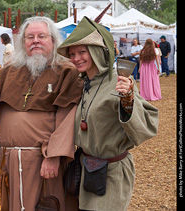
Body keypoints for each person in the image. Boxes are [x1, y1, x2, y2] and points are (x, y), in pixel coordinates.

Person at [0, 16, 83, 210]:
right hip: (8, 161)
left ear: (53, 40)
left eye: (41, 36)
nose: (35, 41)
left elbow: (67, 118)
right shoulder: (9, 70)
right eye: (29, 37)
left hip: (43, 162)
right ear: (22, 42)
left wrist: (53, 156)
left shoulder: (66, 71)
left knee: (45, 205)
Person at [57, 16, 159, 211]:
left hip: (112, 173)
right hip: (86, 170)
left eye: (81, 52)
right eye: (72, 54)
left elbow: (145, 127)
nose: (76, 58)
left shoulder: (119, 82)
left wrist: (128, 98)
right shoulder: (83, 83)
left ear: (96, 52)